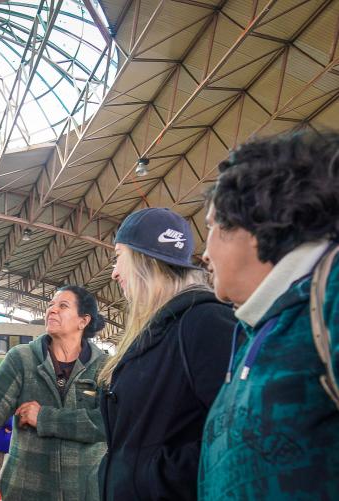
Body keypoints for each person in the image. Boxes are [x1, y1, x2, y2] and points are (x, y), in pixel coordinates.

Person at [198, 131, 339, 500]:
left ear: (254, 226)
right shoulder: (257, 326)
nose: (204, 254)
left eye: (211, 227)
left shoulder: (329, 295)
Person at [98, 207, 236, 501]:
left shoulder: (205, 323)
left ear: (142, 259)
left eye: (117, 256)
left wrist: (155, 478)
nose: (114, 273)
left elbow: (237, 433)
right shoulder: (156, 330)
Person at [0, 285, 108, 501]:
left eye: (63, 306)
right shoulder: (22, 358)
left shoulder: (105, 367)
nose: (52, 310)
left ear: (83, 321)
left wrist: (44, 418)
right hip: (26, 489)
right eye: (50, 305)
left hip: (85, 490)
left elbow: (107, 423)